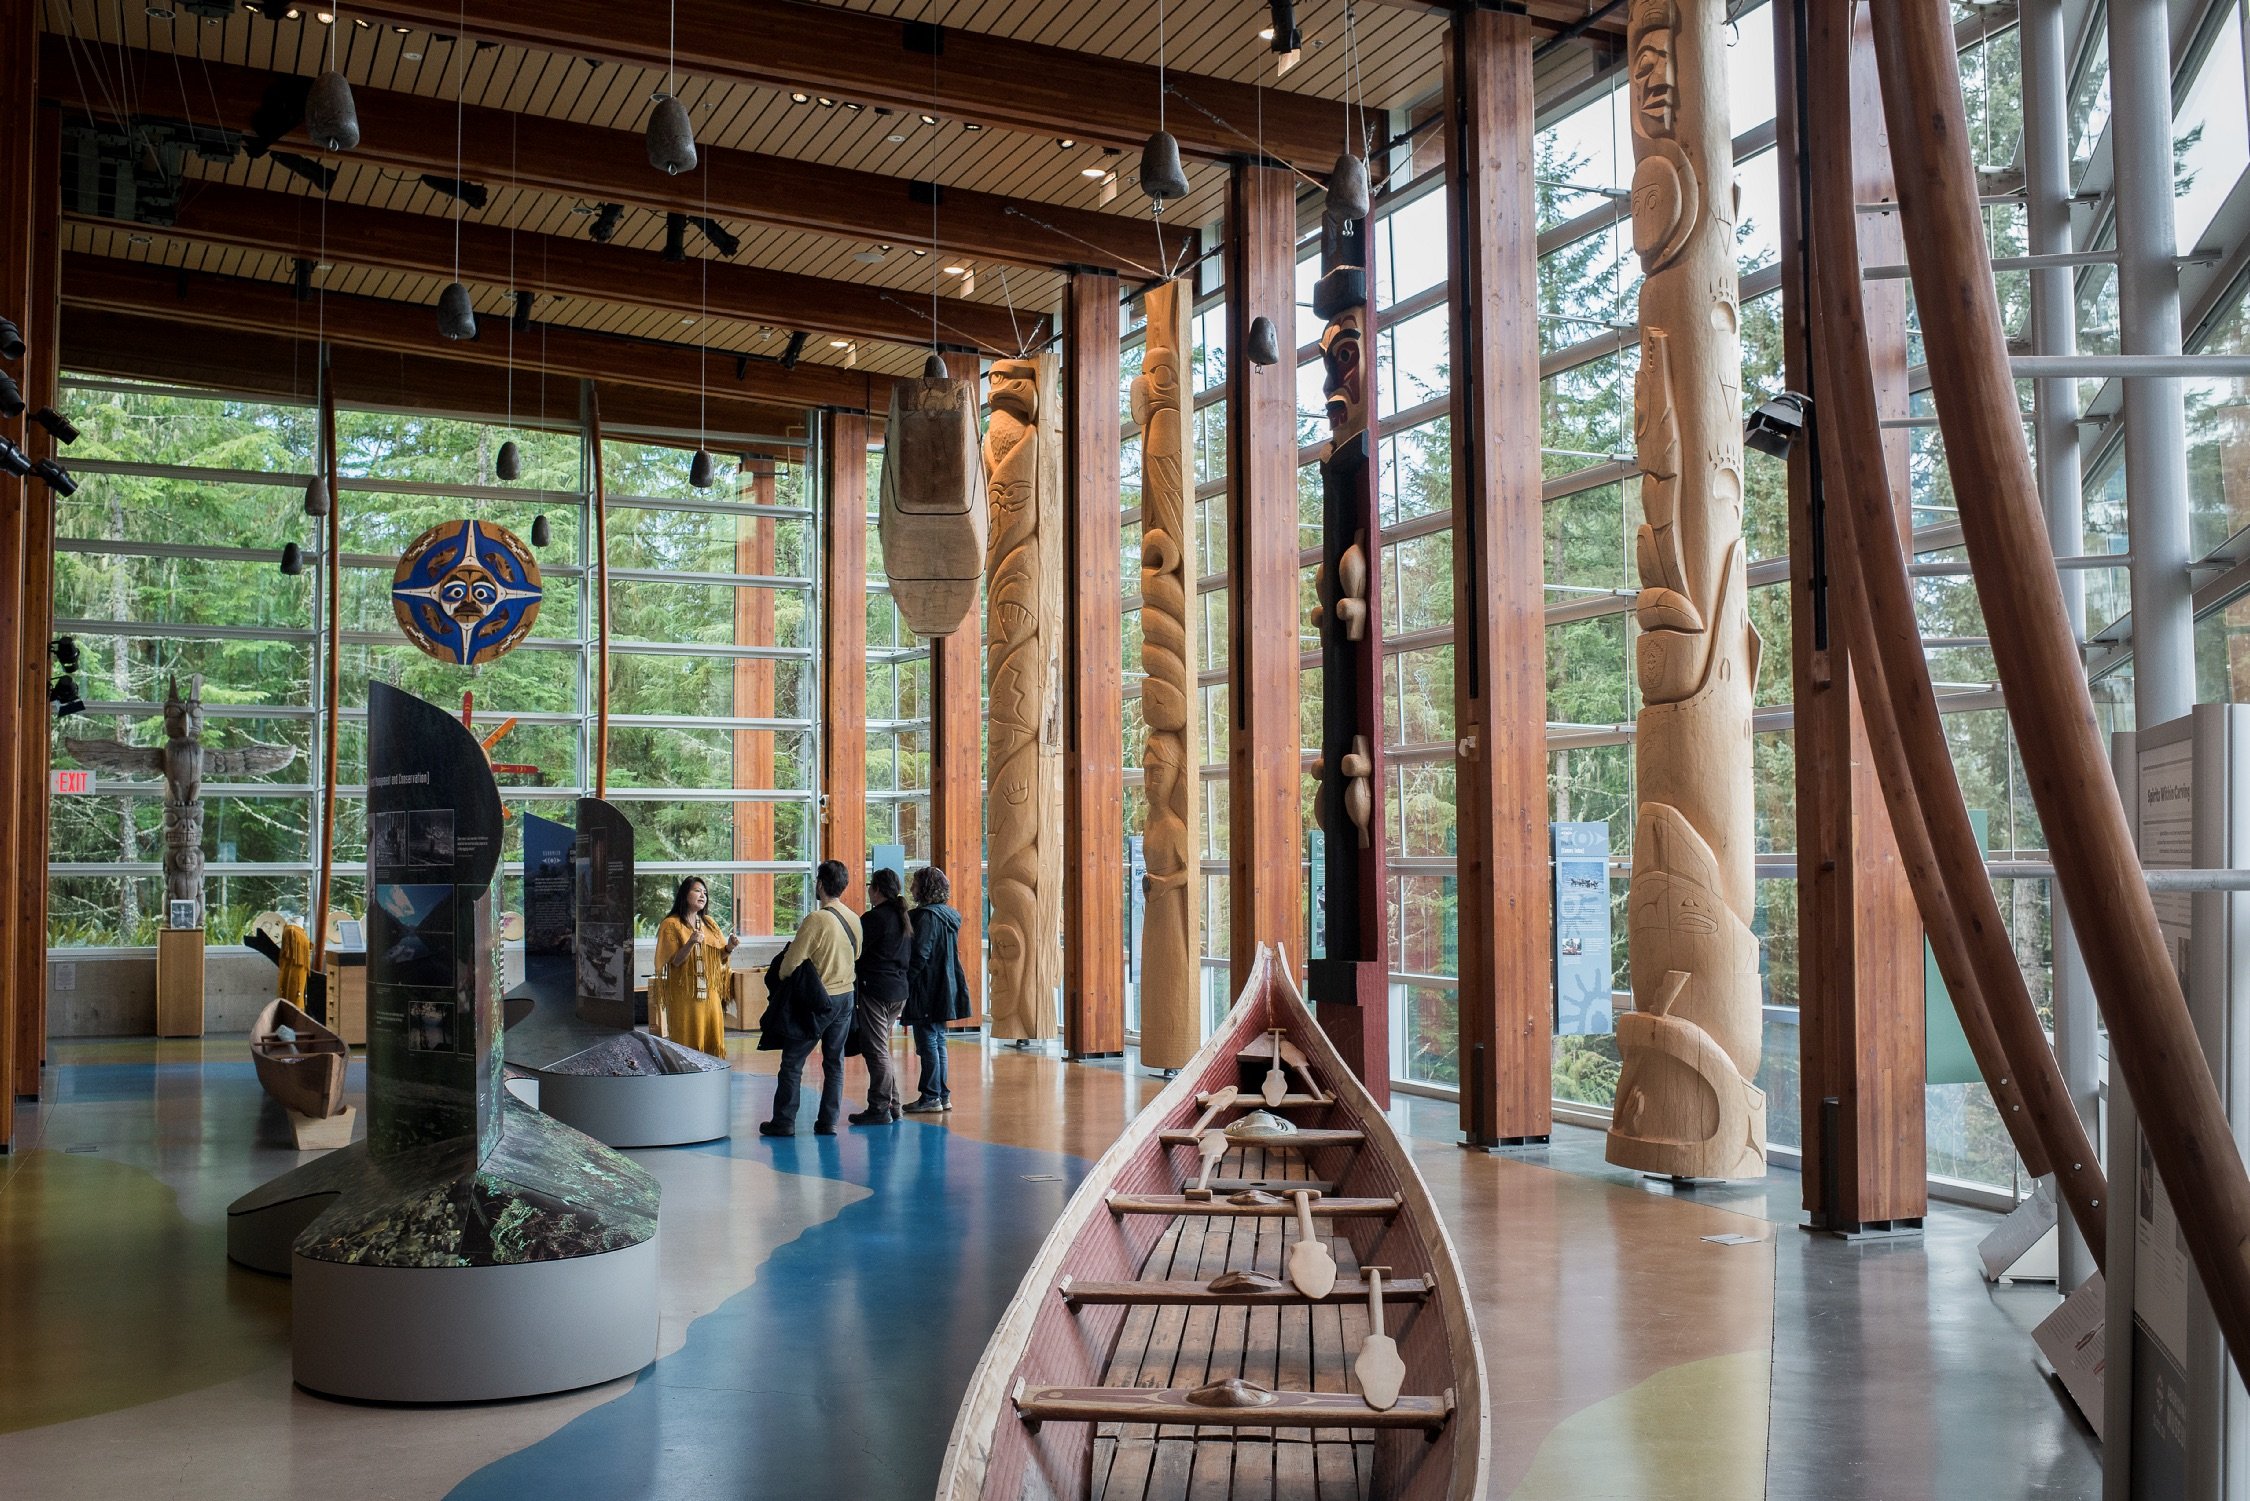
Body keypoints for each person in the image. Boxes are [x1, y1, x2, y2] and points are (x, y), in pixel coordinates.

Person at [761, 859, 862, 1137]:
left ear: (819, 884)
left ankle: (784, 1121)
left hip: (818, 1001)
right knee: (834, 1061)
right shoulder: (854, 919)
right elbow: (856, 955)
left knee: (792, 1062)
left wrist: (781, 977)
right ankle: (828, 1121)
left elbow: (790, 964)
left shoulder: (816, 919)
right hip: (846, 997)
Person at [901, 865, 971, 1114]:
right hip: (945, 986)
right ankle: (941, 1094)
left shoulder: (927, 917)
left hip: (928, 988)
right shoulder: (948, 916)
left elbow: (921, 953)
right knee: (938, 1040)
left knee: (929, 1041)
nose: (911, 889)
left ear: (925, 888)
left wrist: (905, 982)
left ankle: (931, 1095)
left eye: (915, 885)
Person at [848, 867, 912, 1125]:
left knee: (875, 1051)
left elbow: (856, 951)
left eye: (870, 888)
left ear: (876, 890)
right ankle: (893, 1104)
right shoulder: (903, 917)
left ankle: (878, 1107)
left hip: (877, 990)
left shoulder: (874, 919)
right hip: (899, 990)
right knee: (881, 1048)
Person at [650, 876, 736, 1058]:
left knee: (712, 1037)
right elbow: (675, 961)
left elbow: (719, 958)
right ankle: (687, 1072)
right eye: (697, 891)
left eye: (705, 892)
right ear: (684, 895)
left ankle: (711, 1073)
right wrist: (690, 943)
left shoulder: (709, 923)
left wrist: (729, 947)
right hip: (685, 993)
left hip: (710, 993)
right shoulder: (671, 924)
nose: (702, 895)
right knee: (687, 1037)